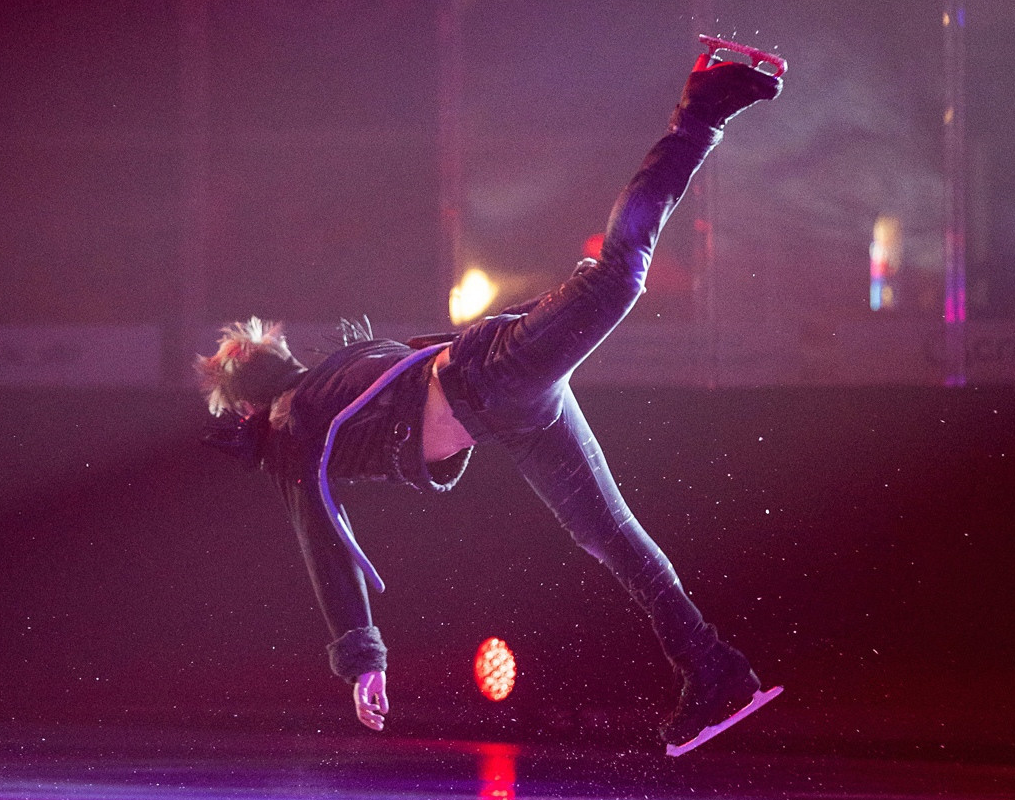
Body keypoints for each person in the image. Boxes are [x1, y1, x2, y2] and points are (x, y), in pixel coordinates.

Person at [199, 52, 784, 756]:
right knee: (610, 534)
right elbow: (330, 533)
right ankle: (713, 668)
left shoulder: (297, 423)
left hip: (495, 378)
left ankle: (702, 111)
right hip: (509, 407)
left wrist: (363, 659)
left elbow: (324, 547)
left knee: (620, 276)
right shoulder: (316, 400)